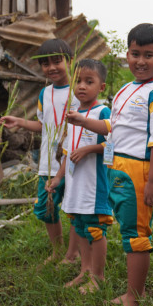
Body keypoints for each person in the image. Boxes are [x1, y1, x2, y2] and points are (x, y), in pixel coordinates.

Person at [67, 23, 153, 306]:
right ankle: (132, 292)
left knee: (136, 235)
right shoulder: (127, 89)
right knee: (128, 232)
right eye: (135, 53)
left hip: (139, 170)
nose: (140, 61)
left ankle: (134, 299)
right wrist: (83, 121)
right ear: (126, 54)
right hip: (117, 168)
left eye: (149, 55)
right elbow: (113, 127)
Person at [0, 39, 80, 265]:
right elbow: (43, 125)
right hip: (48, 164)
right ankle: (57, 250)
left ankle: (73, 254)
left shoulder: (79, 91)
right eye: (46, 64)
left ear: (70, 61)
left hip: (75, 162)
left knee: (76, 210)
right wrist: (20, 122)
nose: (51, 67)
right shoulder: (45, 93)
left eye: (57, 61)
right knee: (46, 209)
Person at [46, 59, 112, 294]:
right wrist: (58, 178)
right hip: (75, 185)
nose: (82, 86)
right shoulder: (74, 114)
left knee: (95, 230)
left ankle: (98, 277)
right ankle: (85, 271)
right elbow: (67, 151)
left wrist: (89, 149)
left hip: (94, 185)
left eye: (89, 81)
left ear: (101, 87)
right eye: (79, 81)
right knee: (80, 227)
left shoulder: (102, 112)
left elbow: (114, 145)